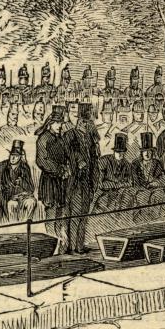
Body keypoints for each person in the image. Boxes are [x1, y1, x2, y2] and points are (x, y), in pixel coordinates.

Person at [64, 103, 100, 254]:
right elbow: (70, 153)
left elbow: (94, 161)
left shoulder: (90, 139)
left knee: (83, 215)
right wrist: (78, 160)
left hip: (87, 182)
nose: (87, 124)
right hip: (76, 182)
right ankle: (71, 247)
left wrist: (94, 182)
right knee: (75, 215)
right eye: (84, 121)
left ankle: (79, 246)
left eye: (88, 122)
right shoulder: (70, 135)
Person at [35, 109, 70, 244]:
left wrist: (67, 168)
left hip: (62, 181)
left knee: (62, 211)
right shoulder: (43, 138)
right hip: (50, 181)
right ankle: (51, 241)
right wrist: (60, 170)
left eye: (60, 123)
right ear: (50, 124)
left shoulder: (60, 138)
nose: (59, 126)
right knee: (51, 212)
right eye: (56, 123)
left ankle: (61, 241)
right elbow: (42, 160)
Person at [0, 140, 37, 223]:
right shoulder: (1, 166)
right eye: (12, 155)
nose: (13, 158)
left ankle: (25, 224)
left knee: (31, 202)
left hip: (22, 196)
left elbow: (31, 188)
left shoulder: (24, 167)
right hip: (8, 197)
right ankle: (14, 226)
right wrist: (11, 195)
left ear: (21, 157)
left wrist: (23, 186)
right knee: (12, 204)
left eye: (16, 156)